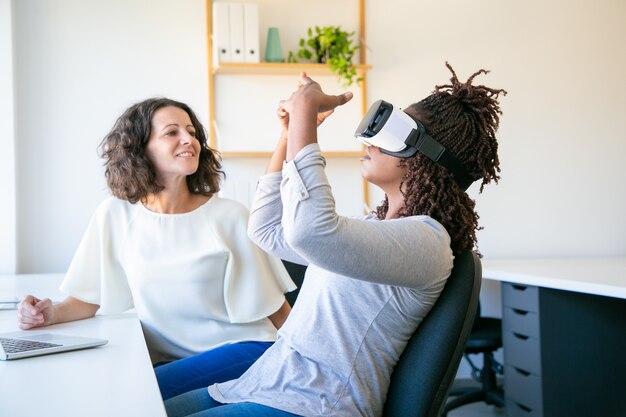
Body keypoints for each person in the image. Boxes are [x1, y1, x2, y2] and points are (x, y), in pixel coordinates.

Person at [164, 63, 506, 417]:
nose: (370, 141)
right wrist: (288, 133)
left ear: (428, 156)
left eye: (395, 133)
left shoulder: (427, 242)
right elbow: (265, 230)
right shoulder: (373, 228)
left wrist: (305, 120)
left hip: (318, 405)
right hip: (266, 384)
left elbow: (310, 230)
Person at [16, 97, 296, 401]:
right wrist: (48, 313)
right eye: (172, 132)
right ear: (140, 148)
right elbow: (88, 298)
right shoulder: (115, 215)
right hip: (168, 360)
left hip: (244, 350)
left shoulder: (230, 216)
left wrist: (310, 360)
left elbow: (275, 307)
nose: (189, 140)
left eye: (191, 131)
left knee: (127, 396)